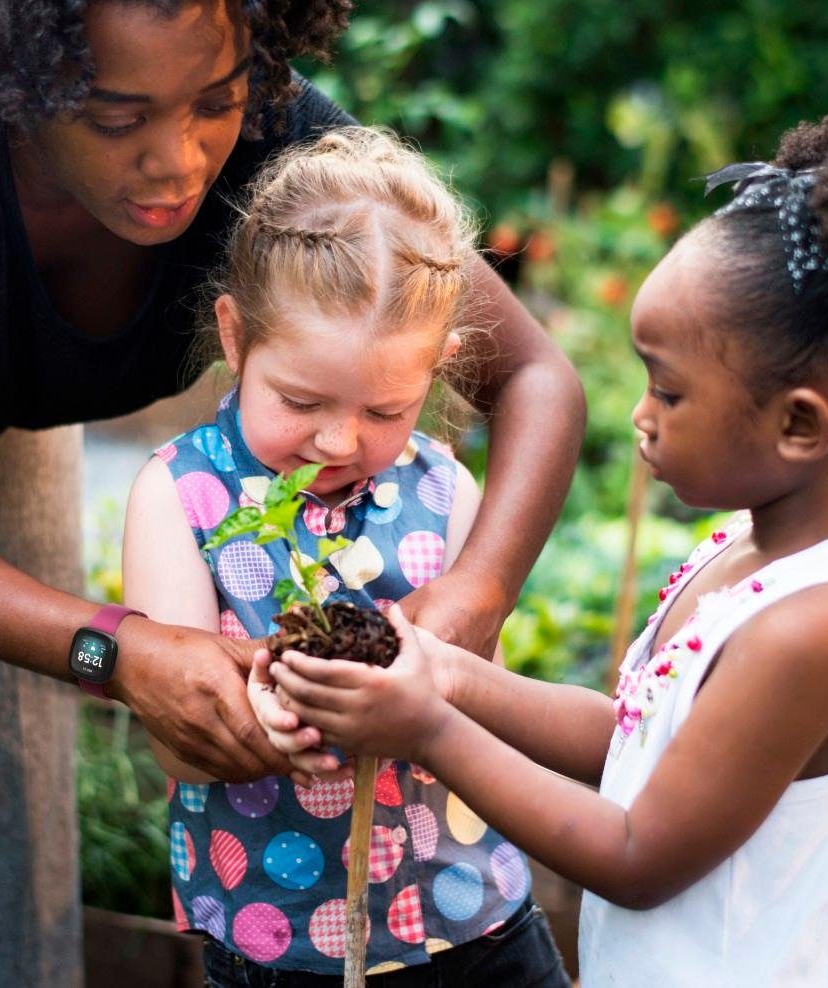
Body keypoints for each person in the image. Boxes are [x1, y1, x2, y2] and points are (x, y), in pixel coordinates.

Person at [0, 0, 585, 985]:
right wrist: (116, 647)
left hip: (4, 396)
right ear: (17, 87)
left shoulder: (274, 137)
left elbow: (531, 373)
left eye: (214, 101)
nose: (179, 160)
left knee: (3, 775)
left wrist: (472, 599)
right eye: (115, 117)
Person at [260, 113, 828, 985]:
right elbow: (632, 741)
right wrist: (449, 675)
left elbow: (637, 853)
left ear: (798, 425)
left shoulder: (816, 625)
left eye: (669, 390)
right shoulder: (744, 550)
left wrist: (427, 727)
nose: (639, 416)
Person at [122, 126, 573, 985]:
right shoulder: (180, 497)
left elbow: (486, 698)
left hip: (472, 918)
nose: (337, 439)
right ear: (234, 336)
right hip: (282, 937)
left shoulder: (445, 494)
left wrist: (431, 694)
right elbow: (178, 742)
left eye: (387, 409)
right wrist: (271, 716)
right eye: (300, 400)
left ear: (439, 370)